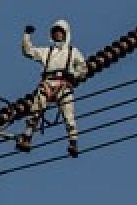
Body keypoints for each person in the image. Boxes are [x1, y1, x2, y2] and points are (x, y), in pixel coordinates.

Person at [17, 20, 87, 157]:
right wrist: (26, 35)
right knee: (36, 108)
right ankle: (26, 137)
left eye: (60, 32)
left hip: (63, 86)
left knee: (68, 113)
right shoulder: (47, 51)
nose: (57, 34)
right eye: (55, 32)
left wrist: (74, 75)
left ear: (65, 34)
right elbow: (28, 51)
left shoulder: (73, 52)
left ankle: (73, 142)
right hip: (48, 84)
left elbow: (83, 69)